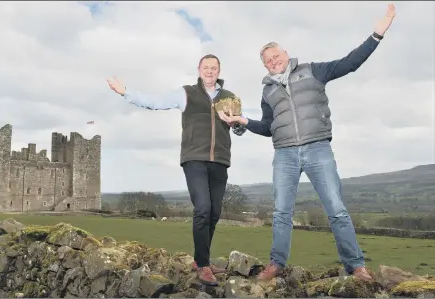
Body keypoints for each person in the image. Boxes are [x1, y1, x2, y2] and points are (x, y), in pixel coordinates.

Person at [221, 4, 396, 282]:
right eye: (268, 60)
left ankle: (356, 266)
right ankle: (276, 265)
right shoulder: (267, 92)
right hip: (285, 154)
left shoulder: (314, 71)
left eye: (276, 55)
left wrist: (377, 34)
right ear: (264, 65)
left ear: (286, 54)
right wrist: (244, 122)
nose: (273, 61)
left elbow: (350, 63)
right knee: (281, 212)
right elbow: (268, 127)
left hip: (318, 149)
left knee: (336, 209)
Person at [106, 54, 246, 286]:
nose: (210, 71)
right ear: (199, 70)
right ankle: (203, 265)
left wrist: (237, 124)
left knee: (214, 212)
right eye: (206, 67)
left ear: (219, 71)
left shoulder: (230, 97)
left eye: (214, 68)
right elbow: (155, 101)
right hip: (194, 159)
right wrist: (125, 92)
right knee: (202, 207)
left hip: (220, 160)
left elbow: (240, 128)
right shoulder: (186, 93)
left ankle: (201, 259)